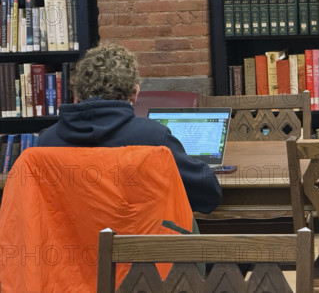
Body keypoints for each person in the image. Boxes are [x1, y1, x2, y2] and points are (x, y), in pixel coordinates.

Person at [37, 43, 222, 214]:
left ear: (77, 94)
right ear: (134, 94)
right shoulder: (153, 138)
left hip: (69, 247)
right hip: (139, 247)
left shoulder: (46, 143)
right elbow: (208, 194)